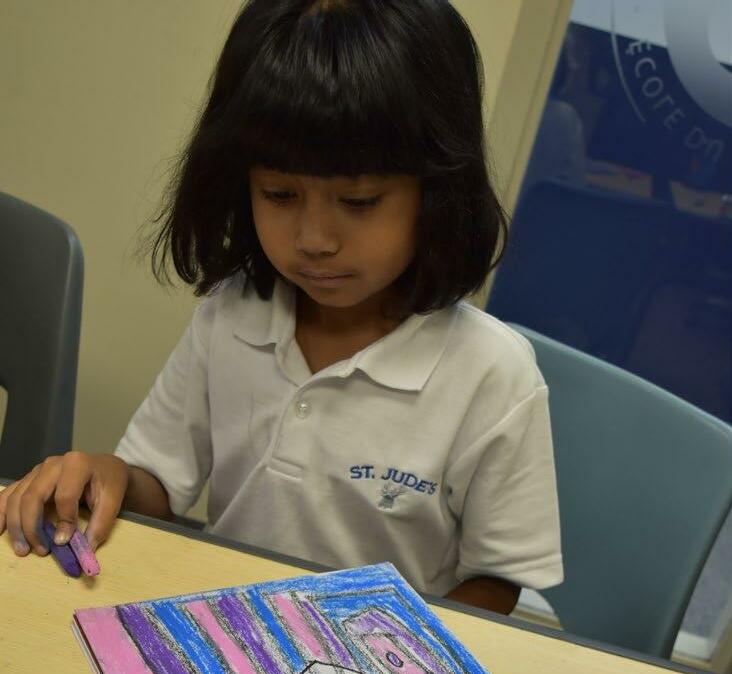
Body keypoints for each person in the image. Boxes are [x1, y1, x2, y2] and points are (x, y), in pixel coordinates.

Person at [0, 0, 562, 614]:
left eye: (359, 201)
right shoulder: (232, 315)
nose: (314, 239)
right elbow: (159, 481)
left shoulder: (492, 374)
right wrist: (106, 476)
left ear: (438, 192)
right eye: (279, 194)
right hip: (235, 631)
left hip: (381, 659)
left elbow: (496, 581)